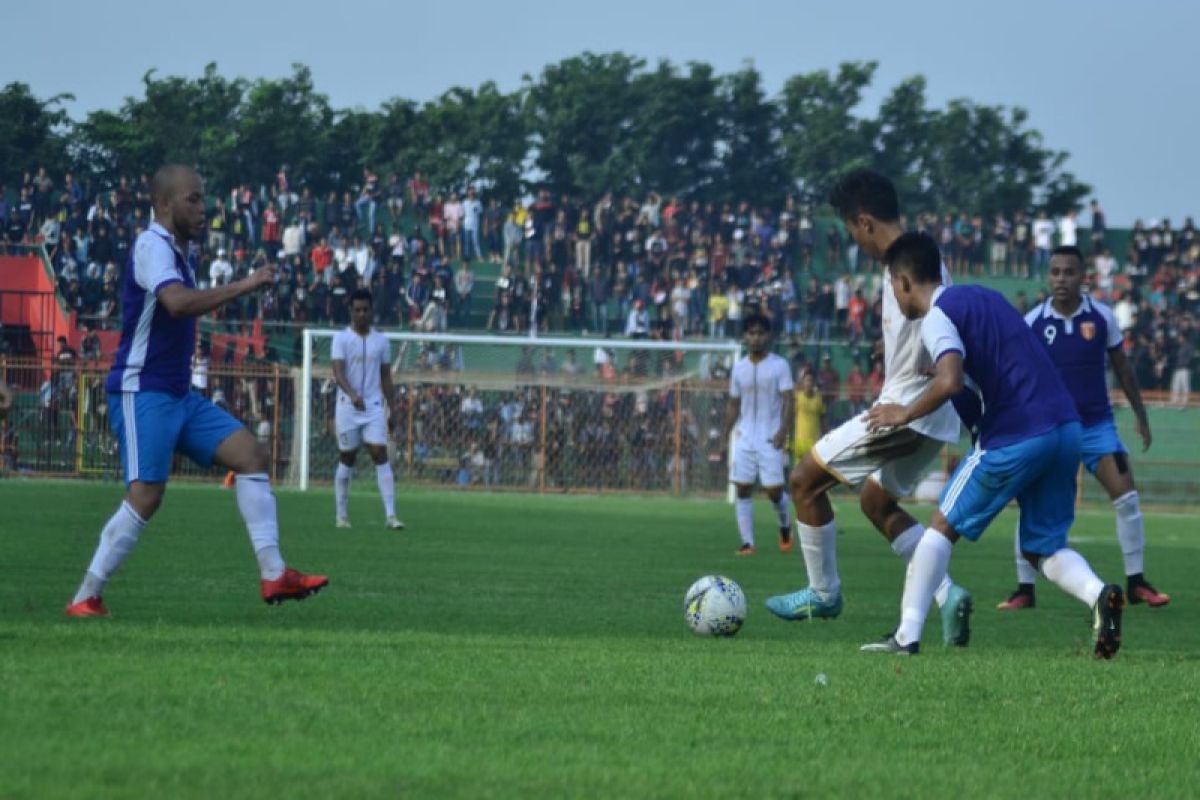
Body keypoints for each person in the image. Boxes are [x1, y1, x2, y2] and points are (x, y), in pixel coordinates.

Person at [65, 165, 327, 618]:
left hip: (177, 395)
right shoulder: (152, 246)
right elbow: (178, 304)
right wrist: (245, 284)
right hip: (141, 390)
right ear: (164, 204)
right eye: (192, 199)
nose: (202, 208)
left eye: (203, 198)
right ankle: (85, 596)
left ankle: (273, 574)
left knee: (251, 456)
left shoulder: (178, 251)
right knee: (147, 495)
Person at [861, 232, 1124, 658]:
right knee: (1043, 546)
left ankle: (906, 637)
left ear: (905, 282)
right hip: (1066, 429)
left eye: (892, 285)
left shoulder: (936, 316)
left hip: (1018, 432)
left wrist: (901, 413)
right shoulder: (986, 297)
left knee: (940, 526)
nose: (893, 294)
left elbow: (948, 380)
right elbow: (990, 368)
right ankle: (1099, 595)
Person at [765, 170, 974, 650]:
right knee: (876, 502)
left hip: (907, 410)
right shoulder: (927, 260)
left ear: (863, 223)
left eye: (850, 231)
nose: (854, 243)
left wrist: (907, 398)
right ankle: (947, 593)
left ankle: (824, 594)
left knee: (802, 481)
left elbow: (938, 332)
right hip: (938, 416)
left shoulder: (905, 270)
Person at [998, 246, 1169, 609]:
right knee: (1031, 504)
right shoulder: (1033, 322)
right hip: (1051, 429)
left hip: (1095, 426)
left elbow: (1123, 369)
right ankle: (1024, 590)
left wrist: (1141, 415)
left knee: (1126, 496)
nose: (1061, 279)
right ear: (1049, 276)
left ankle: (1137, 582)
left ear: (1083, 277)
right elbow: (1017, 374)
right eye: (1056, 272)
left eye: (1069, 273)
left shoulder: (1102, 318)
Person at [718, 313, 795, 555]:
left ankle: (784, 526)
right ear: (745, 337)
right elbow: (733, 403)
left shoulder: (779, 365)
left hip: (770, 436)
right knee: (742, 487)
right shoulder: (739, 368)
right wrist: (724, 437)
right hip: (745, 435)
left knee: (774, 492)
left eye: (760, 333)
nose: (756, 338)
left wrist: (783, 431)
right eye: (751, 333)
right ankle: (747, 543)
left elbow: (789, 400)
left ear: (768, 336)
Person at [331, 289, 404, 530]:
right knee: (347, 457)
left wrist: (392, 409)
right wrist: (352, 394)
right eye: (357, 310)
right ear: (351, 311)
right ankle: (341, 515)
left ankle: (391, 515)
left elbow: (386, 377)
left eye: (366, 309)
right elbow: (338, 372)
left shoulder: (381, 341)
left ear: (372, 311)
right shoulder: (341, 339)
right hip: (347, 407)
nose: (362, 314)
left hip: (372, 406)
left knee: (380, 454)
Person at [792, 370, 824, 461]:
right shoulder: (798, 398)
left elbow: (823, 418)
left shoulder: (819, 398)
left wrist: (826, 436)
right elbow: (790, 419)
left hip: (815, 443)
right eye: (807, 380)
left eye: (811, 380)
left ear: (813, 383)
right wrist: (787, 440)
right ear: (803, 383)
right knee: (799, 471)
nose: (809, 383)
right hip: (800, 443)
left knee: (813, 472)